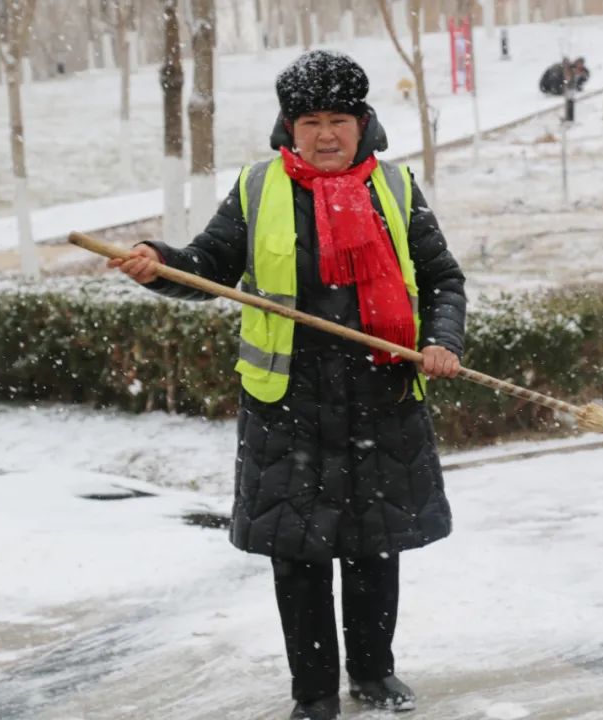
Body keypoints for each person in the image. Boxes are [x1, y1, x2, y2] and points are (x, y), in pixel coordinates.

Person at [109, 50, 466, 720]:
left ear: (362, 122)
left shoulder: (394, 189)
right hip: (288, 409)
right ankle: (311, 695)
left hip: (379, 399)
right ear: (289, 125)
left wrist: (441, 341)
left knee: (372, 547)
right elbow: (205, 266)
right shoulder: (257, 188)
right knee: (297, 559)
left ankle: (373, 673)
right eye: (310, 121)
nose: (325, 135)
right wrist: (160, 264)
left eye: (338, 119)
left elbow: (443, 278)